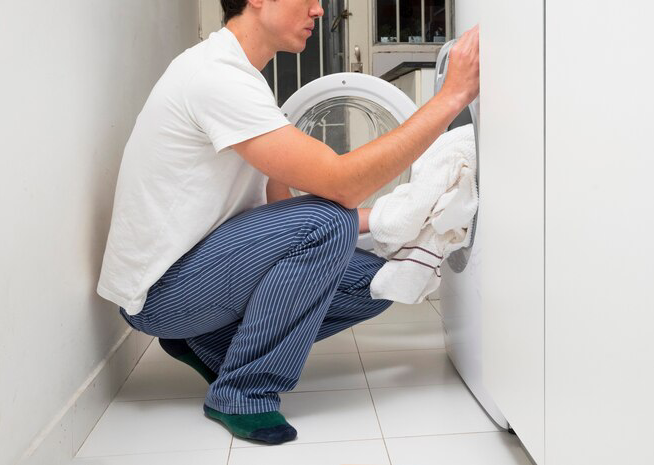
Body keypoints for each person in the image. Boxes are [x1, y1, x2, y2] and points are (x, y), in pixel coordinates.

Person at [96, 0, 479, 445]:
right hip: (162, 293)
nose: (319, 10)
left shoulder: (245, 79)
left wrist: (398, 219)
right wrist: (452, 97)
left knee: (381, 281)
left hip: (196, 274)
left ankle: (208, 345)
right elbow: (340, 187)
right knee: (328, 221)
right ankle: (243, 392)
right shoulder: (215, 78)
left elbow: (277, 201)